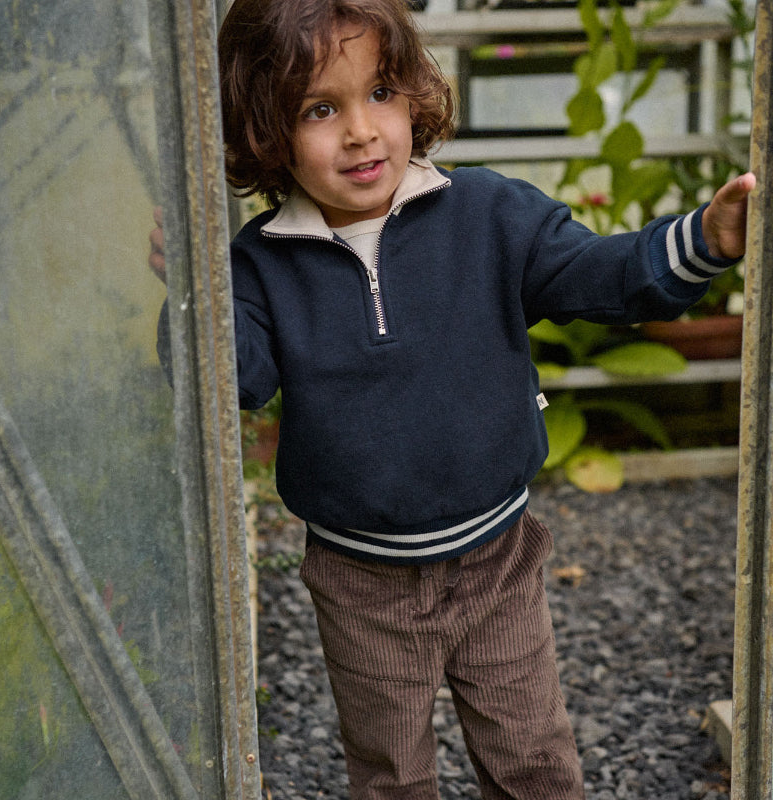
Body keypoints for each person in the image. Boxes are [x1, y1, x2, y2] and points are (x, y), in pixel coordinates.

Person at [150, 0, 755, 796]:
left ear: (413, 94)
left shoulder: (489, 215)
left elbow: (599, 273)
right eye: (319, 109)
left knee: (533, 759)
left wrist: (705, 239)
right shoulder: (257, 267)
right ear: (265, 131)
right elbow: (236, 380)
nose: (361, 131)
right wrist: (194, 290)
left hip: (497, 561)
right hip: (360, 579)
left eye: (380, 92)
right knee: (390, 773)